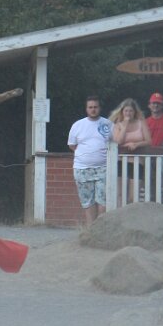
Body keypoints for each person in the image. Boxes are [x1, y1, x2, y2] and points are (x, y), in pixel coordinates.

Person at [67, 95, 113, 227]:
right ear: (86, 109)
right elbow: (72, 145)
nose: (93, 109)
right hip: (82, 168)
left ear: (100, 108)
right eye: (90, 107)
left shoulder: (108, 124)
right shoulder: (78, 125)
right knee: (88, 202)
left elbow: (115, 143)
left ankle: (101, 228)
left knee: (103, 201)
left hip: (103, 168)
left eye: (95, 107)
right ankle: (91, 230)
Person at [110, 98, 151, 203]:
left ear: (135, 112)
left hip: (137, 162)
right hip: (121, 162)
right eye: (126, 111)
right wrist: (125, 126)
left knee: (133, 197)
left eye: (131, 111)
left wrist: (136, 144)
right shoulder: (117, 125)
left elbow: (148, 141)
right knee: (120, 195)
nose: (128, 113)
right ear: (122, 112)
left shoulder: (141, 123)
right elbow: (118, 141)